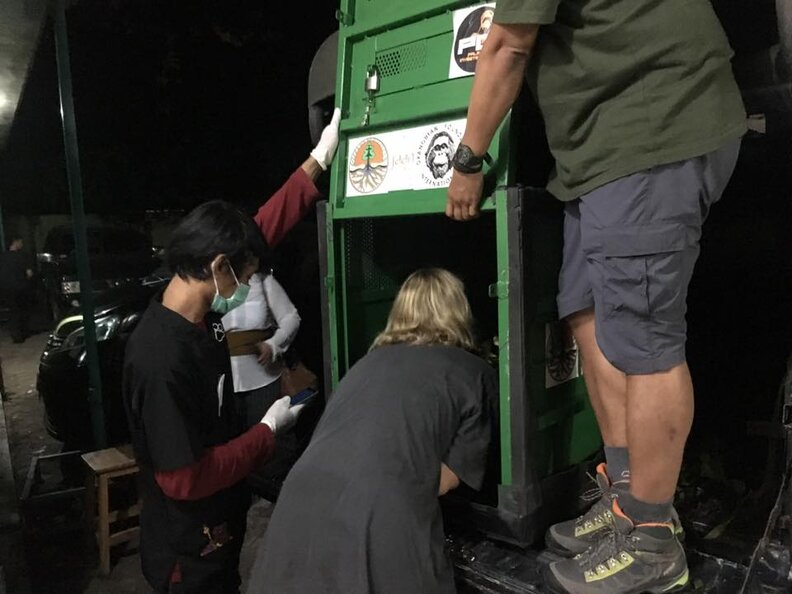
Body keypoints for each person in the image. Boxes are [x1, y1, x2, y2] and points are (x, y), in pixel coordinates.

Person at [445, 2, 746, 593]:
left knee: (645, 341)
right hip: (599, 154)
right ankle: (628, 496)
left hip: (647, 131)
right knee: (584, 311)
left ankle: (654, 539)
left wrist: (468, 158)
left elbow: (507, 42)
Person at [123, 110, 341, 594]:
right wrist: (267, 432)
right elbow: (183, 480)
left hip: (218, 533)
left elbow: (264, 225)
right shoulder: (162, 359)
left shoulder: (200, 312)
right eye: (244, 276)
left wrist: (317, 161)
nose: (247, 286)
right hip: (188, 554)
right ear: (219, 267)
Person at [246, 268, 497, 594]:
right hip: (382, 515)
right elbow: (444, 480)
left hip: (297, 507)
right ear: (460, 311)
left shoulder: (367, 363)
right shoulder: (474, 372)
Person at [223, 270, 300, 429]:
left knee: (267, 434)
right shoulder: (212, 285)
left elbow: (291, 318)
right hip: (223, 381)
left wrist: (273, 344)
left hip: (262, 378)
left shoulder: (263, 281)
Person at [0, 238, 34, 343]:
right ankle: (23, 333)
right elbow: (29, 273)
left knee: (12, 311)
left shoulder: (2, 257)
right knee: (22, 310)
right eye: (20, 242)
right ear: (15, 242)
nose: (22, 244)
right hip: (21, 287)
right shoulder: (22, 256)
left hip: (6, 288)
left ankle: (15, 334)